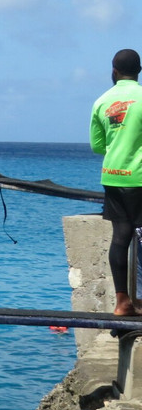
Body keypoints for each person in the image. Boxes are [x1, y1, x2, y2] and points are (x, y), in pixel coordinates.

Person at [90, 48, 142, 315]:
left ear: (114, 71)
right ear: (139, 71)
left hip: (113, 175)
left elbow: (98, 145)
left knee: (121, 238)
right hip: (140, 177)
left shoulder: (102, 101)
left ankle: (122, 303)